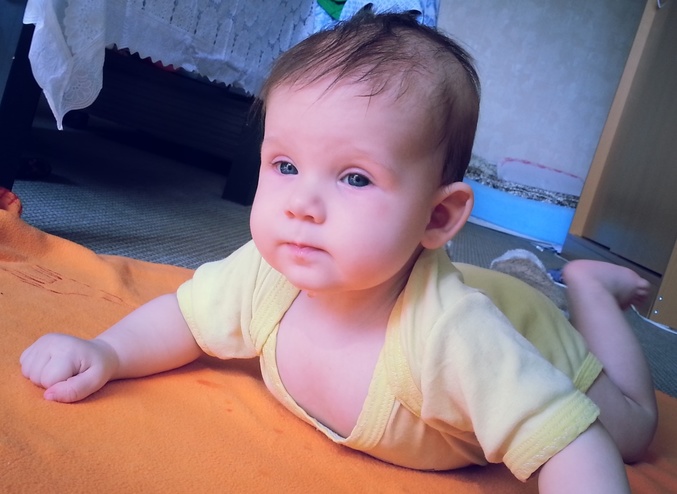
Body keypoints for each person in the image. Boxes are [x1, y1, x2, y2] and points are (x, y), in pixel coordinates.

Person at [20, 11, 656, 493]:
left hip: (526, 328)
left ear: (437, 216)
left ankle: (589, 289)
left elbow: (574, 444)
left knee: (630, 434)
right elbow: (185, 317)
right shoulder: (266, 273)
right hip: (461, 281)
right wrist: (107, 352)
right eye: (285, 165)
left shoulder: (454, 339)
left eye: (354, 177)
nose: (301, 203)